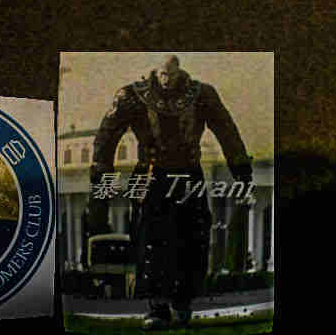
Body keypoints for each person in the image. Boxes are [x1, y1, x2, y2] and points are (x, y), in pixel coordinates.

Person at [86, 58, 251, 326]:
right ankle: (157, 307)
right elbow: (107, 133)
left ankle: (183, 302)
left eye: (171, 75)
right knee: (150, 240)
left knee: (192, 238)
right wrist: (100, 169)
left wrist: (240, 167)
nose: (166, 80)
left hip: (189, 176)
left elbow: (226, 129)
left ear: (179, 73)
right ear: (156, 73)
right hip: (148, 177)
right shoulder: (131, 95)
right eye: (162, 74)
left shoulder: (202, 95)